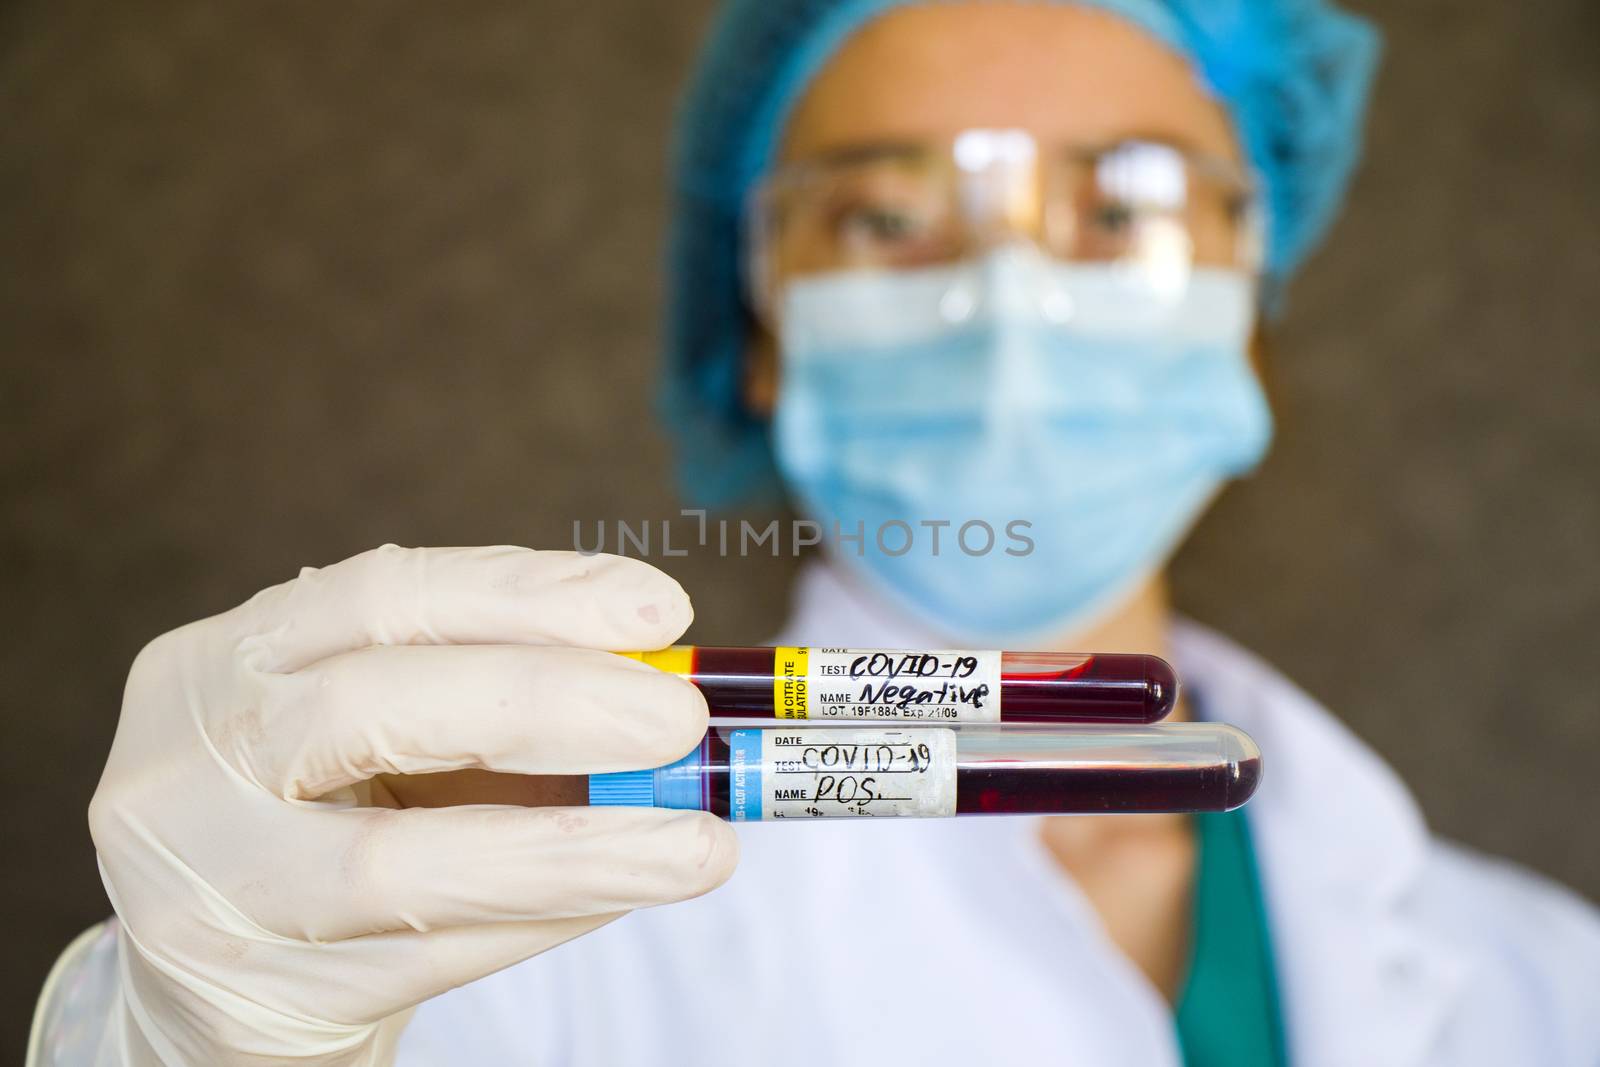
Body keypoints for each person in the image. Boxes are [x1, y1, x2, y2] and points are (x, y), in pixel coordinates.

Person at [29, 1, 1600, 1065]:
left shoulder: (1548, 983)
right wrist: (192, 1026)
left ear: (1248, 313)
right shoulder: (488, 915)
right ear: (766, 327)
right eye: (888, 218)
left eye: (1119, 208)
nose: (1003, 299)